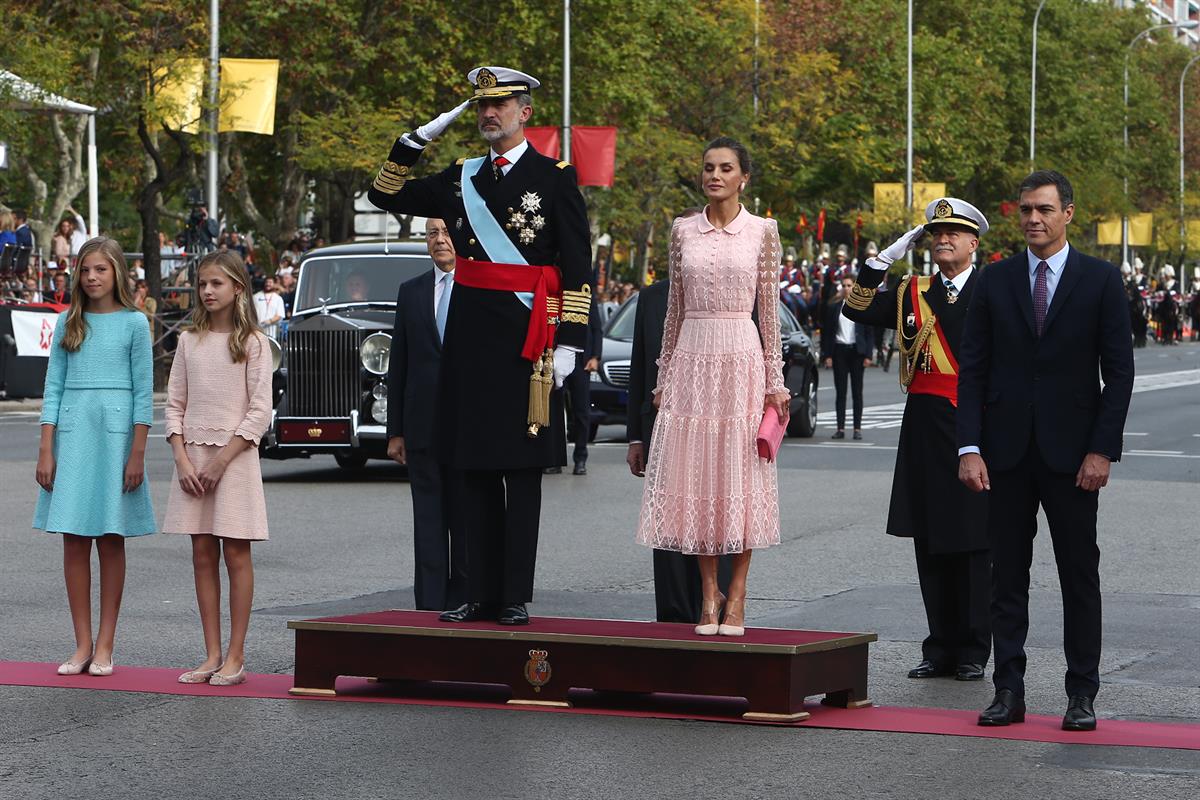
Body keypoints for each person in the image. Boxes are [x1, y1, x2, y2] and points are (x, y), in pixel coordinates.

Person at [367, 65, 591, 625]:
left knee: (518, 472)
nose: (490, 114)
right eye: (483, 106)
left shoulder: (554, 176)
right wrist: (414, 141)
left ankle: (512, 593)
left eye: (501, 105)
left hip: (525, 339)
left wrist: (570, 341)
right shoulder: (460, 176)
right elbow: (383, 192)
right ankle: (473, 589)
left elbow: (578, 265)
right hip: (469, 340)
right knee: (470, 471)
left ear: (525, 112)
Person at [958, 170, 1134, 731]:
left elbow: (1119, 374)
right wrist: (969, 447)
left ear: (1068, 214)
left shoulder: (1102, 280)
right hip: (1005, 454)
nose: (1033, 219)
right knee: (1006, 576)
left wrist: (1102, 450)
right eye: (1026, 210)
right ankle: (1007, 689)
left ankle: (1082, 693)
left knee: (1079, 575)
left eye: (1044, 210)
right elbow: (974, 372)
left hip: (1074, 458)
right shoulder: (994, 280)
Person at [635, 137, 788, 636]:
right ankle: (708, 596)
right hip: (692, 358)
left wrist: (775, 383)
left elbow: (768, 312)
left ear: (744, 177)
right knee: (697, 476)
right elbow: (673, 311)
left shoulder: (763, 232)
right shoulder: (682, 230)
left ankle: (737, 593)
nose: (714, 175)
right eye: (708, 168)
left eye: (725, 168)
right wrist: (663, 377)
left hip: (742, 356)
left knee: (740, 477)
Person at [843, 198, 992, 682]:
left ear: (974, 242)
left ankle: (973, 648)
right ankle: (939, 646)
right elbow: (856, 308)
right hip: (925, 426)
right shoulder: (913, 291)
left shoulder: (994, 289)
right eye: (935, 234)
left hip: (977, 423)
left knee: (971, 540)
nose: (942, 240)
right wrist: (879, 262)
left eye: (953, 233)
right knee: (929, 538)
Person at [33, 237, 156, 677]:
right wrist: (46, 446)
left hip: (117, 436)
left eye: (101, 270)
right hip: (73, 432)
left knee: (110, 536)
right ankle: (81, 642)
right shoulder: (69, 321)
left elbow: (144, 392)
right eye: (85, 270)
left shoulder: (134, 324)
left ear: (117, 273)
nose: (92, 278)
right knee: (72, 536)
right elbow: (53, 388)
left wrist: (137, 451)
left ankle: (106, 643)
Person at [163, 251, 272, 687]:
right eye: (202, 283)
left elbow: (259, 411)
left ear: (238, 289)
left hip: (235, 460)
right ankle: (210, 653)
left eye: (216, 284)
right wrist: (182, 458)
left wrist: (222, 460)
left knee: (236, 553)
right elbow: (174, 405)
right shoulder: (189, 340)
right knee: (202, 554)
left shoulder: (254, 344)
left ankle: (236, 655)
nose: (207, 291)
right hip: (193, 462)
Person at [385, 218, 468, 611]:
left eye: (446, 232)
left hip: (468, 427)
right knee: (429, 523)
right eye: (432, 233)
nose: (439, 240)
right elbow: (398, 363)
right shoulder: (411, 291)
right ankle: (430, 608)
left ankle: (467, 600)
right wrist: (395, 431)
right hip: (421, 428)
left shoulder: (479, 287)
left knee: (466, 521)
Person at [554, 292, 603, 475]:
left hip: (582, 361)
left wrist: (596, 357)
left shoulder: (586, 295)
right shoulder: (557, 292)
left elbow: (597, 329)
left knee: (581, 411)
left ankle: (580, 458)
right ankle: (555, 458)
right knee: (555, 410)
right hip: (557, 358)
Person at [821, 275, 871, 439]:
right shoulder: (834, 307)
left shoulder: (861, 306)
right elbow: (827, 332)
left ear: (855, 286)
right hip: (839, 351)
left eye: (849, 285)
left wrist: (868, 354)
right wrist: (827, 355)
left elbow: (869, 332)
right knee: (840, 392)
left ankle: (857, 429)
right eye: (843, 285)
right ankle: (840, 428)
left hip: (857, 352)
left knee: (857, 392)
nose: (846, 288)